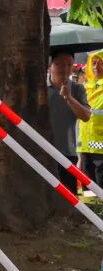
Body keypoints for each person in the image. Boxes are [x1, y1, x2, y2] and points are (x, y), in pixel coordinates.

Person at [47, 51, 90, 194]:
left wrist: (69, 98)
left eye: (69, 64)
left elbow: (86, 116)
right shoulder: (40, 88)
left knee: (67, 197)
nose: (64, 68)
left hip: (67, 153)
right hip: (42, 151)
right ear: (50, 66)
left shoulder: (77, 89)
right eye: (59, 64)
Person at [78, 50, 103, 187]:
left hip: (100, 145)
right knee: (88, 187)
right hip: (86, 145)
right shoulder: (86, 88)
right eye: (93, 63)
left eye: (101, 63)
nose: (96, 67)